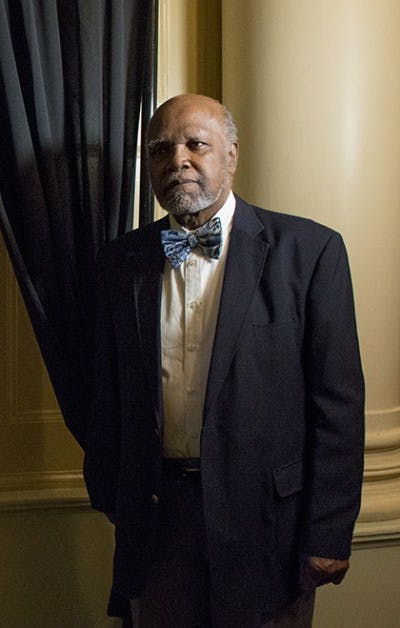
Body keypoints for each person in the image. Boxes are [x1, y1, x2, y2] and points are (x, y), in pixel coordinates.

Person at [82, 94, 364, 627]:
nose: (178, 159)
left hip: (268, 524)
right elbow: (108, 391)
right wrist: (111, 491)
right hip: (158, 518)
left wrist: (329, 531)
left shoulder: (311, 251)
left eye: (197, 144)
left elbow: (339, 408)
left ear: (231, 155)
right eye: (162, 148)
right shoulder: (121, 260)